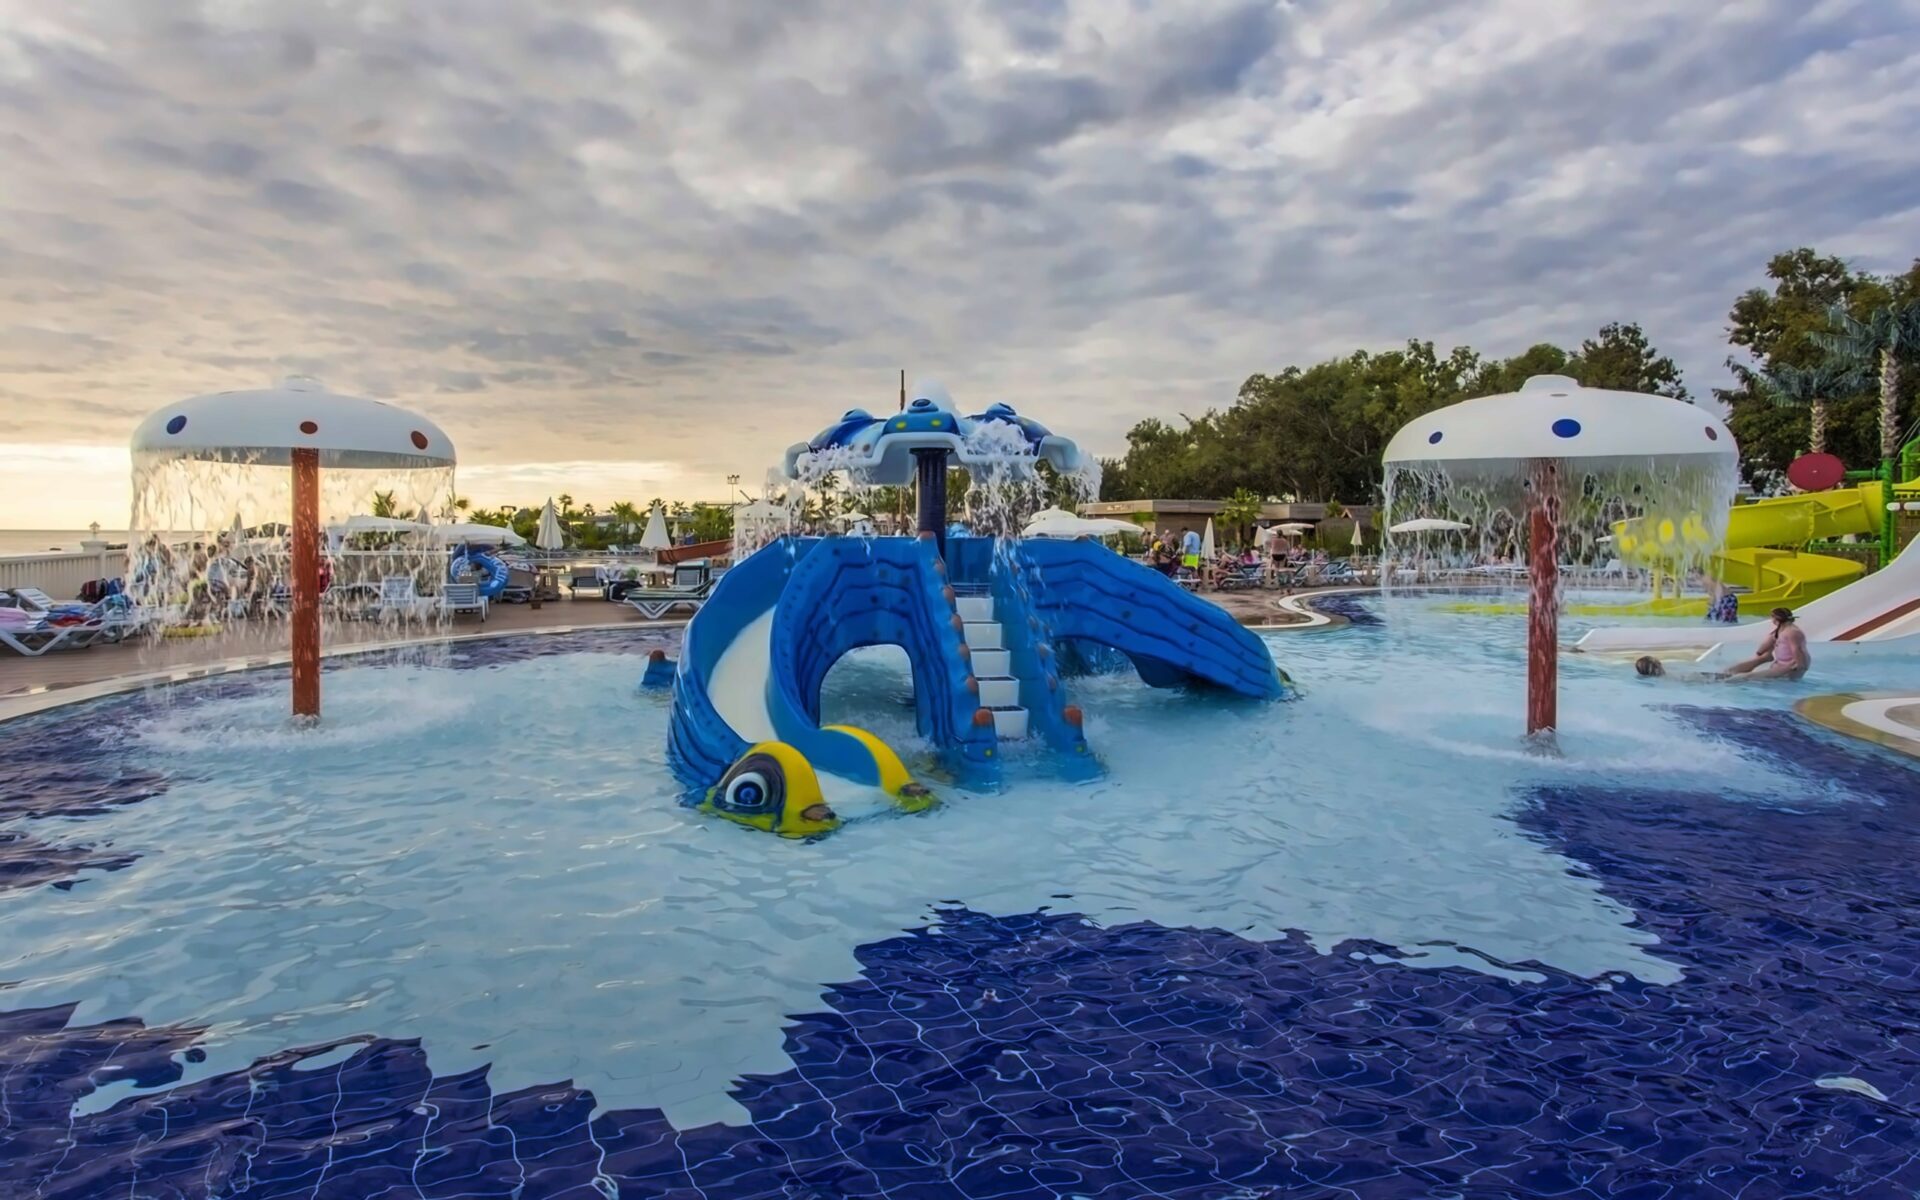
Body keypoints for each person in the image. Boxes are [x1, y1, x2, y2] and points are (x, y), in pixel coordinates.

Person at [1726, 607, 1811, 681]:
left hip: (1790, 665)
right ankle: (1726, 676)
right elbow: (1766, 644)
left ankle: (1725, 681)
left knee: (1745, 677)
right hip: (1781, 663)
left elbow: (1797, 649)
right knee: (1730, 671)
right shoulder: (1780, 630)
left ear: (1776, 619)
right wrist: (1760, 655)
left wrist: (1799, 665)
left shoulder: (1792, 632)